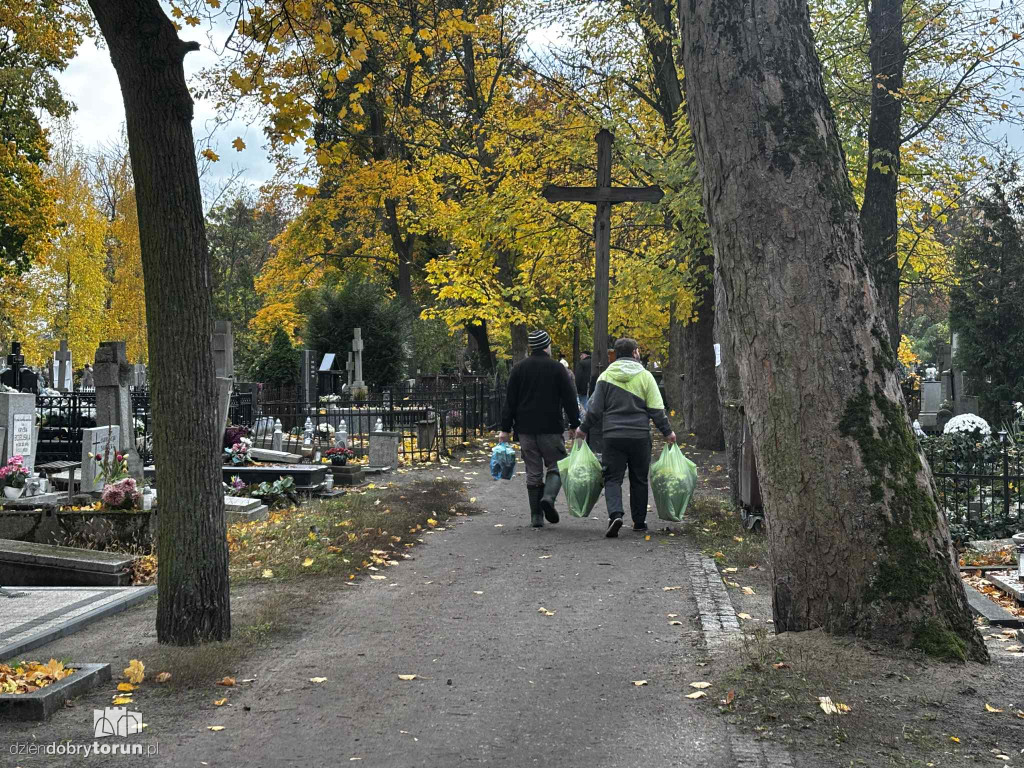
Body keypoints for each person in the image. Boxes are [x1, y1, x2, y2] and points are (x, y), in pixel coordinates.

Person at [576, 337, 676, 538]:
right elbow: (657, 409)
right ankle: (639, 522)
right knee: (639, 478)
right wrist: (667, 432)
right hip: (639, 436)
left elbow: (594, 410)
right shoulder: (646, 376)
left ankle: (615, 515)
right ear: (634, 353)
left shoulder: (605, 377)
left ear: (616, 354)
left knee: (612, 478)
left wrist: (583, 428)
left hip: (613, 436)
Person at [499, 330, 581, 528]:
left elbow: (510, 401)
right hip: (550, 427)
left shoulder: (518, 369)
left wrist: (505, 429)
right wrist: (574, 424)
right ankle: (549, 498)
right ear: (547, 346)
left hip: (525, 429)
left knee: (533, 471)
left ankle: (536, 517)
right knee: (557, 465)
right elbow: (570, 398)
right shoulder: (557, 369)